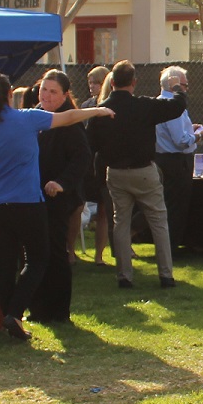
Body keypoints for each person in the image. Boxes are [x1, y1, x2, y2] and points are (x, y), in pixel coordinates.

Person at [0, 72, 111, 338]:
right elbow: (67, 117)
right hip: (25, 202)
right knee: (38, 258)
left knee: (5, 263)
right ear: (10, 94)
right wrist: (97, 111)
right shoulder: (27, 119)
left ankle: (11, 318)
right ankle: (15, 313)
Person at [93, 61, 186, 290]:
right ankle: (166, 275)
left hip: (115, 172)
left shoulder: (101, 111)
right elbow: (176, 107)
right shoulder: (144, 106)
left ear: (112, 82)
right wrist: (177, 89)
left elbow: (92, 144)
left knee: (121, 223)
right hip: (144, 170)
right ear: (134, 82)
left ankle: (124, 275)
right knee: (158, 222)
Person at [32, 71, 94, 324]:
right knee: (38, 252)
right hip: (35, 195)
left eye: (52, 91)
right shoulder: (38, 113)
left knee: (56, 252)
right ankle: (39, 309)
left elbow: (82, 158)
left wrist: (62, 183)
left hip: (58, 197)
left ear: (65, 95)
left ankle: (58, 312)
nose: (46, 95)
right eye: (43, 89)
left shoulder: (70, 121)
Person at [152, 67, 203, 253]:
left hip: (162, 159)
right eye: (184, 85)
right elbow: (181, 141)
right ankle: (170, 248)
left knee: (166, 203)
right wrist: (199, 136)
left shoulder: (159, 103)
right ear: (173, 84)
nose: (186, 89)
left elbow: (174, 133)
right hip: (176, 162)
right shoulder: (173, 105)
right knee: (176, 206)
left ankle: (168, 246)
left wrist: (191, 128)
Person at [81, 64, 114, 263]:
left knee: (103, 210)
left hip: (102, 164)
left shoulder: (110, 107)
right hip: (86, 164)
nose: (92, 86)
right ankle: (71, 250)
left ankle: (99, 255)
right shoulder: (86, 106)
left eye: (96, 82)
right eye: (90, 82)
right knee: (78, 207)